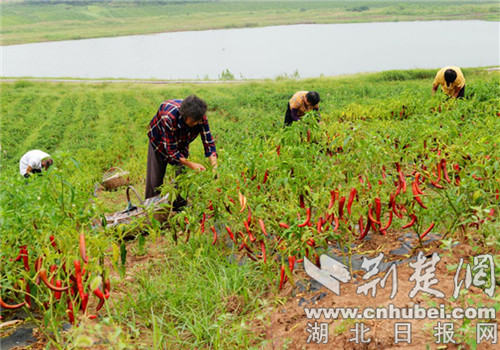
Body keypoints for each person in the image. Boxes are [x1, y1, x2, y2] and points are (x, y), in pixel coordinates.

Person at [145, 95, 217, 210]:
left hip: (181, 141)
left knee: (182, 177)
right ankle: (151, 209)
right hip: (158, 142)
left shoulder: (200, 118)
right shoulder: (168, 117)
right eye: (193, 122)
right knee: (155, 180)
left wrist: (215, 168)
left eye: (198, 121)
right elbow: (171, 151)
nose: (196, 123)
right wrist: (191, 164)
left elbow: (208, 142)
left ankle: (179, 209)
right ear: (184, 116)